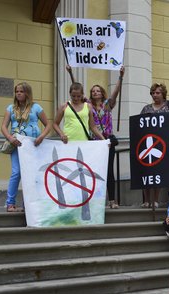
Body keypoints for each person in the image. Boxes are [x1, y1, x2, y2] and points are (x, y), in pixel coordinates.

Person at [67, 65, 125, 209]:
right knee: (93, 170)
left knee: (109, 170)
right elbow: (77, 90)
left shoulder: (107, 105)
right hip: (94, 141)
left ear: (102, 93)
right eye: (93, 91)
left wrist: (120, 76)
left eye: (98, 90)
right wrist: (71, 73)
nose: (95, 92)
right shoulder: (88, 105)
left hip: (107, 140)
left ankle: (112, 200)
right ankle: (94, 200)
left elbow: (116, 93)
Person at [0, 82, 52, 212]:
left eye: (21, 91)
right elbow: (3, 127)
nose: (18, 93)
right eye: (17, 91)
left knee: (31, 174)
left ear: (27, 93)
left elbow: (48, 125)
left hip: (33, 145)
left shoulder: (36, 108)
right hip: (17, 144)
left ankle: (27, 204)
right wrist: (10, 138)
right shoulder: (10, 108)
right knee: (16, 172)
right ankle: (10, 203)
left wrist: (41, 137)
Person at [140, 83, 169, 208]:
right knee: (146, 173)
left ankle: (155, 200)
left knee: (159, 172)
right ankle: (147, 200)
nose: (155, 95)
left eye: (157, 93)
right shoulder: (146, 108)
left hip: (162, 145)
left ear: (163, 93)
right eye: (153, 93)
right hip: (147, 144)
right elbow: (139, 126)